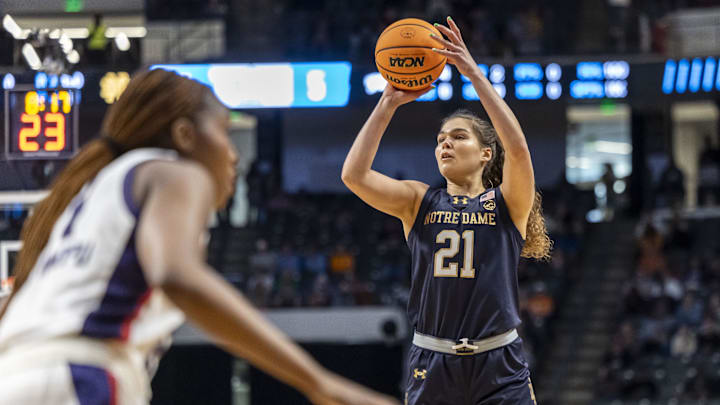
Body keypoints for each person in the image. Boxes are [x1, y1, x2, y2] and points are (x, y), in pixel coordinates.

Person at [0, 69, 398, 405]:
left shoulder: (95, 192)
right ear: (185, 135)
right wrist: (319, 383)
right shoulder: (175, 171)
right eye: (225, 130)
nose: (233, 154)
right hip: (79, 377)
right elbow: (177, 276)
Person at [342, 17, 551, 405]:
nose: (445, 145)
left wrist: (473, 73)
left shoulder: (507, 204)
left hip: (499, 361)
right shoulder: (419, 201)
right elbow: (354, 176)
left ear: (486, 153)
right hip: (432, 360)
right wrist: (387, 103)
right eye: (440, 140)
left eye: (458, 136)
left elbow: (518, 149)